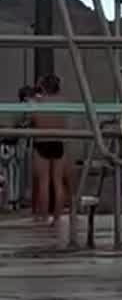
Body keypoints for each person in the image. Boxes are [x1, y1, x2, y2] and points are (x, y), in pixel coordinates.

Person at [30, 73, 69, 224]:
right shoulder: (63, 102)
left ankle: (44, 216)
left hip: (42, 141)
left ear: (43, 87)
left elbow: (32, 118)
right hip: (58, 141)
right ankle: (57, 217)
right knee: (58, 181)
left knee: (44, 182)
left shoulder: (37, 102)